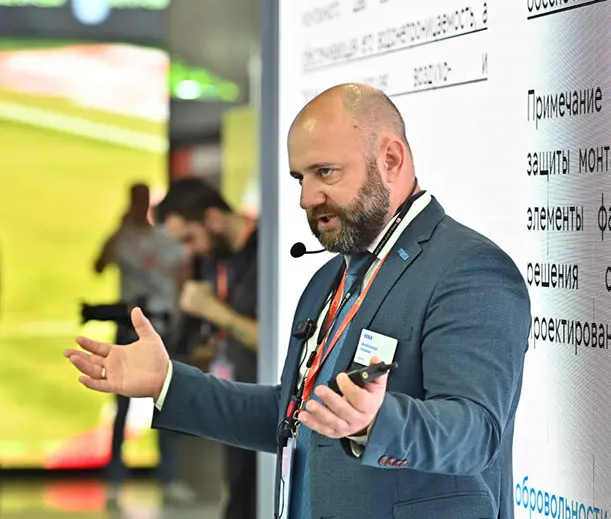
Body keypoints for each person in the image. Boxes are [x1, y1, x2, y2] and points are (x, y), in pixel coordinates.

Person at [67, 84, 531, 519]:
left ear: (390, 159)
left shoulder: (468, 269)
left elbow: (476, 433)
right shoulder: (330, 278)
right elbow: (291, 416)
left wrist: (374, 422)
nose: (307, 198)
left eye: (325, 172)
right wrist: (167, 382)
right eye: (300, 178)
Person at [154, 178, 260, 519]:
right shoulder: (215, 258)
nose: (190, 250)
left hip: (268, 408)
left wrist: (212, 309)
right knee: (238, 498)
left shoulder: (269, 252)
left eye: (189, 238)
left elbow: (279, 341)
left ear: (212, 218)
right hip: (234, 403)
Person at [92, 183, 195, 508]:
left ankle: (170, 477)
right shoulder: (123, 238)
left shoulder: (163, 239)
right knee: (120, 403)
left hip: (161, 327)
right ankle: (115, 476)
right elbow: (98, 265)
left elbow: (182, 273)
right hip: (128, 327)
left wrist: (180, 316)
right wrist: (117, 230)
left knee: (166, 401)